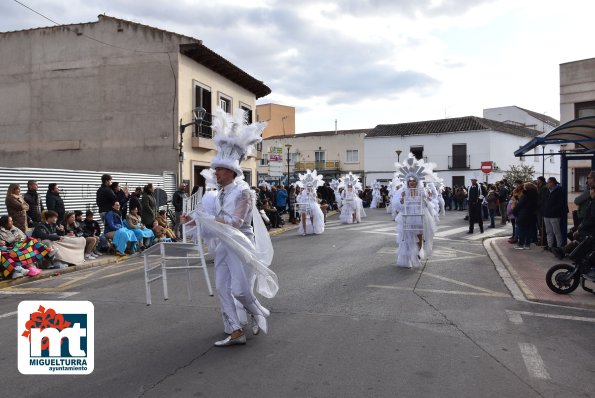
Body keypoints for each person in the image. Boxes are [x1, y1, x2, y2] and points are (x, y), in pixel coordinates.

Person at [183, 108, 277, 347]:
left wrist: (208, 220)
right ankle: (236, 330)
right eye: (215, 169)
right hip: (225, 244)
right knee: (222, 288)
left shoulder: (244, 192)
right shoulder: (220, 193)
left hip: (241, 244)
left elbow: (235, 222)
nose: (216, 172)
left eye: (220, 169)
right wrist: (193, 220)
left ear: (231, 171)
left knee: (240, 289)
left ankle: (256, 310)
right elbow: (213, 218)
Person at [393, 153, 440, 268]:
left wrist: (426, 198)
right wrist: (403, 199)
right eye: (410, 181)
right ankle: (408, 258)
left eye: (414, 181)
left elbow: (426, 202)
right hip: (408, 217)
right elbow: (400, 204)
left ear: (417, 181)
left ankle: (419, 253)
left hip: (419, 216)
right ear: (407, 182)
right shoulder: (404, 191)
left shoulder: (421, 191)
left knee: (419, 237)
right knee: (408, 238)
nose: (412, 182)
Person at [296, 169, 325, 236]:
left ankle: (314, 229)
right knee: (304, 218)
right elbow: (298, 199)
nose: (309, 187)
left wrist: (313, 195)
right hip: (304, 206)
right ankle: (305, 231)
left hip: (312, 206)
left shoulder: (313, 192)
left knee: (312, 217)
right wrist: (300, 196)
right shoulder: (302, 192)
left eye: (310, 186)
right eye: (307, 186)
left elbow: (315, 199)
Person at [512, 182, 539, 250]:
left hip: (523, 214)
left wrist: (514, 211)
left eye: (524, 186)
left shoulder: (525, 195)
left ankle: (521, 244)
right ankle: (527, 244)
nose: (523, 187)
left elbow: (520, 204)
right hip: (532, 214)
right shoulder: (536, 194)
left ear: (527, 188)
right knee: (529, 230)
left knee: (521, 229)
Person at [542, 177, 566, 250]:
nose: (547, 184)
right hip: (546, 214)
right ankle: (550, 246)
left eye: (548, 182)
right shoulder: (547, 191)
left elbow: (561, 203)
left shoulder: (558, 191)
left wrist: (553, 210)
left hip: (555, 215)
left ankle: (559, 247)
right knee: (548, 232)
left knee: (557, 232)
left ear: (552, 183)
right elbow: (544, 201)